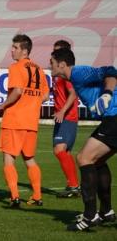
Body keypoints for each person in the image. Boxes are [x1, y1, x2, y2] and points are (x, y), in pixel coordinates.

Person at [50, 48, 116, 231]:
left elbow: (111, 71)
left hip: (115, 117)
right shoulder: (73, 79)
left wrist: (107, 94)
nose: (50, 66)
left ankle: (89, 216)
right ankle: (106, 211)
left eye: (52, 62)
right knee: (98, 160)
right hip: (112, 118)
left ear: (62, 64)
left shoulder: (78, 73)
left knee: (83, 158)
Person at [0, 34, 49, 208]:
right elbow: (46, 95)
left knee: (8, 159)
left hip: (15, 120)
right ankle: (37, 196)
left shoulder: (16, 67)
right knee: (29, 158)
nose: (12, 50)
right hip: (31, 121)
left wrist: (3, 105)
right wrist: (32, 104)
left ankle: (15, 197)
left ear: (24, 51)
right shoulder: (39, 69)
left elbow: (17, 91)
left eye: (15, 47)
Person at [51, 40, 80, 198]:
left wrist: (62, 111)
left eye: (57, 51)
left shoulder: (66, 74)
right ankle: (72, 186)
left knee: (59, 150)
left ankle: (74, 185)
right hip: (62, 116)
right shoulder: (57, 73)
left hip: (68, 116)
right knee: (63, 151)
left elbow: (73, 93)